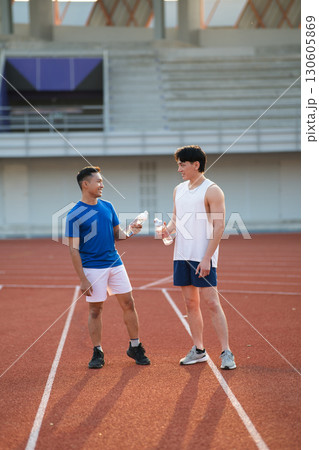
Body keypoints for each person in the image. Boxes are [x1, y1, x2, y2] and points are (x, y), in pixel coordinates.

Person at [65, 166, 150, 369]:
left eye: (102, 181)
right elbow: (73, 250)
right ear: (85, 184)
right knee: (95, 310)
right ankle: (97, 351)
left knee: (129, 303)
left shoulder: (108, 206)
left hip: (115, 263)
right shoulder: (74, 214)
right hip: (92, 268)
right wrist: (82, 279)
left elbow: (117, 235)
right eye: (99, 181)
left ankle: (135, 346)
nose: (102, 185)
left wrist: (131, 231)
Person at [162, 145, 236, 369]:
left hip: (203, 256)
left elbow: (219, 227)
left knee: (212, 303)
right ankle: (199, 350)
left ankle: (226, 352)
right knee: (190, 303)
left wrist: (207, 258)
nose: (179, 169)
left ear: (196, 165)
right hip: (182, 255)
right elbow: (175, 220)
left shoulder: (212, 190)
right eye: (178, 165)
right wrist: (167, 230)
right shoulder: (178, 190)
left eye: (182, 164)